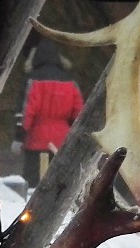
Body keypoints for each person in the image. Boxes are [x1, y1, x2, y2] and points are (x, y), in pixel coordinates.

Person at [18, 41, 83, 191]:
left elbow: (27, 111)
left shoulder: (32, 79)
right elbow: (79, 113)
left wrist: (19, 136)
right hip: (62, 140)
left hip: (36, 139)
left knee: (32, 185)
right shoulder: (70, 81)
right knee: (59, 183)